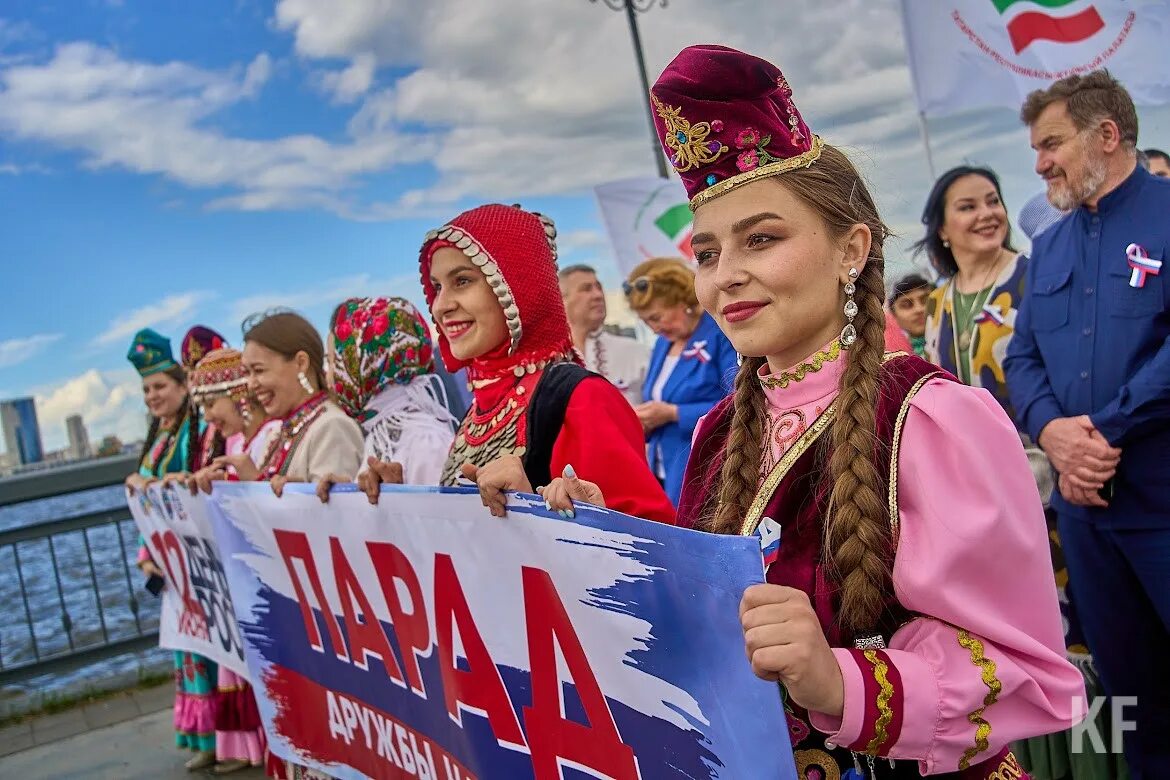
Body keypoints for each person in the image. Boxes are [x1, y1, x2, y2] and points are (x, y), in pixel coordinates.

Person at [542, 44, 1081, 777]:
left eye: (761, 239)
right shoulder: (719, 431)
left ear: (849, 248)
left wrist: (842, 682)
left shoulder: (933, 418)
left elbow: (1028, 673)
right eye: (706, 253)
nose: (727, 275)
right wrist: (599, 539)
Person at [1006, 70, 1170, 779]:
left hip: (1162, 505)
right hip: (1088, 517)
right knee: (1131, 703)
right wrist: (1053, 434)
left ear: (1106, 135)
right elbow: (1023, 357)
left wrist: (1103, 430)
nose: (1040, 162)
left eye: (1051, 143)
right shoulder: (1051, 246)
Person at [413, 203, 674, 524]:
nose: (442, 305)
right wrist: (387, 503)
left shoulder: (581, 399)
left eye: (462, 281)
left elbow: (654, 553)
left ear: (516, 285)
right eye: (437, 287)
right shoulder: (483, 408)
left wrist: (533, 507)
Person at [123, 328, 219, 771]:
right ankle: (202, 736)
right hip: (170, 562)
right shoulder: (160, 435)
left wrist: (152, 485)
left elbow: (184, 492)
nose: (152, 395)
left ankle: (223, 734)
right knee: (188, 647)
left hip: (196, 557)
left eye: (160, 386)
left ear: (183, 386)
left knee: (209, 645)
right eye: (146, 389)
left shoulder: (191, 435)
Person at [185, 346, 275, 774]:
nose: (207, 419)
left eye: (210, 405)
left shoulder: (268, 438)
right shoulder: (241, 442)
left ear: (238, 394)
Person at [316, 296, 458, 499]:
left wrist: (397, 498)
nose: (329, 376)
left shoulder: (425, 441)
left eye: (333, 362)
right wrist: (347, 496)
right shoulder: (382, 434)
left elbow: (446, 522)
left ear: (362, 364)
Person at [624, 257, 736, 504]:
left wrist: (674, 413)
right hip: (665, 470)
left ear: (682, 301)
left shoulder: (721, 334)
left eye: (656, 317)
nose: (653, 328)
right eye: (646, 322)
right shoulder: (663, 343)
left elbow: (739, 403)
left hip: (706, 471)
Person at [240, 310, 364, 495]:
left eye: (259, 370)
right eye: (247, 373)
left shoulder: (332, 427)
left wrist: (261, 484)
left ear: (300, 363)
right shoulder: (276, 434)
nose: (251, 384)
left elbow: (336, 517)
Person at [558, 263, 651, 405]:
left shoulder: (636, 352)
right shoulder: (552, 361)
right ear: (561, 300)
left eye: (599, 287)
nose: (598, 295)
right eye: (586, 289)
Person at [887, 274, 932, 359]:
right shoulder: (895, 360)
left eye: (925, 300)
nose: (919, 309)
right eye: (906, 305)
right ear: (894, 316)